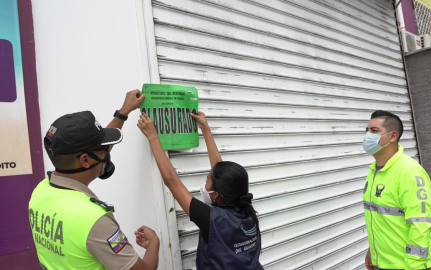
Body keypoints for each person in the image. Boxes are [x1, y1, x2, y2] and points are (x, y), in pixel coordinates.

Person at [29, 90, 160, 270]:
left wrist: (123, 113)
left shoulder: (40, 191)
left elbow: (93, 153)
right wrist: (154, 243)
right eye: (102, 150)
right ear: (85, 160)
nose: (106, 153)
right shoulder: (95, 219)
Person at [137, 111, 263, 270]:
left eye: (207, 180)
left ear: (216, 195)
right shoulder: (247, 211)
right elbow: (220, 172)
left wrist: (153, 137)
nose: (206, 183)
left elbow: (171, 181)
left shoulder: (212, 219)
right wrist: (205, 127)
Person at [362, 110, 431, 270]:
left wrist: (414, 266)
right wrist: (374, 250)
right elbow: (380, 219)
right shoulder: (374, 171)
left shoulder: (409, 171)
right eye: (367, 130)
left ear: (392, 136)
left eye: (374, 131)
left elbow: (420, 225)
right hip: (384, 263)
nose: (367, 136)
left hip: (412, 266)